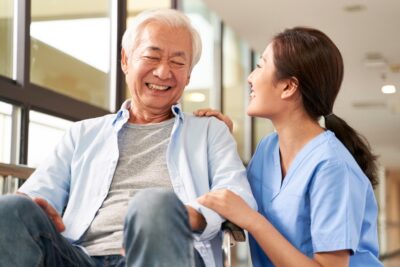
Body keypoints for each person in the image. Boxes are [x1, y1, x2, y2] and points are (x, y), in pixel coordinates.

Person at [0, 8, 256, 267]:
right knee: (10, 208)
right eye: (152, 56)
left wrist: (189, 214)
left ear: (188, 74)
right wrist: (32, 209)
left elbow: (238, 195)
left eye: (178, 62)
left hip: (168, 254)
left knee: (153, 203)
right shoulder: (83, 134)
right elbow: (34, 194)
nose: (163, 72)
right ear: (125, 60)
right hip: (80, 258)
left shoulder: (209, 130)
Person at [196, 27, 382, 266]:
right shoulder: (267, 148)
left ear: (288, 87)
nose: (251, 77)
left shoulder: (332, 166)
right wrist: (222, 143)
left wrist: (253, 221)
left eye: (261, 66)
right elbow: (237, 195)